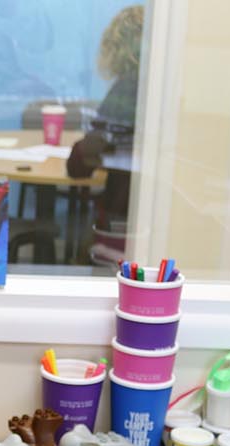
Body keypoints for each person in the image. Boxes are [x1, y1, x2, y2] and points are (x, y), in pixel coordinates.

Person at [67, 5, 143, 259]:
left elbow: (80, 165)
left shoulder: (128, 91)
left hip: (122, 227)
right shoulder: (162, 89)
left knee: (79, 250)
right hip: (146, 221)